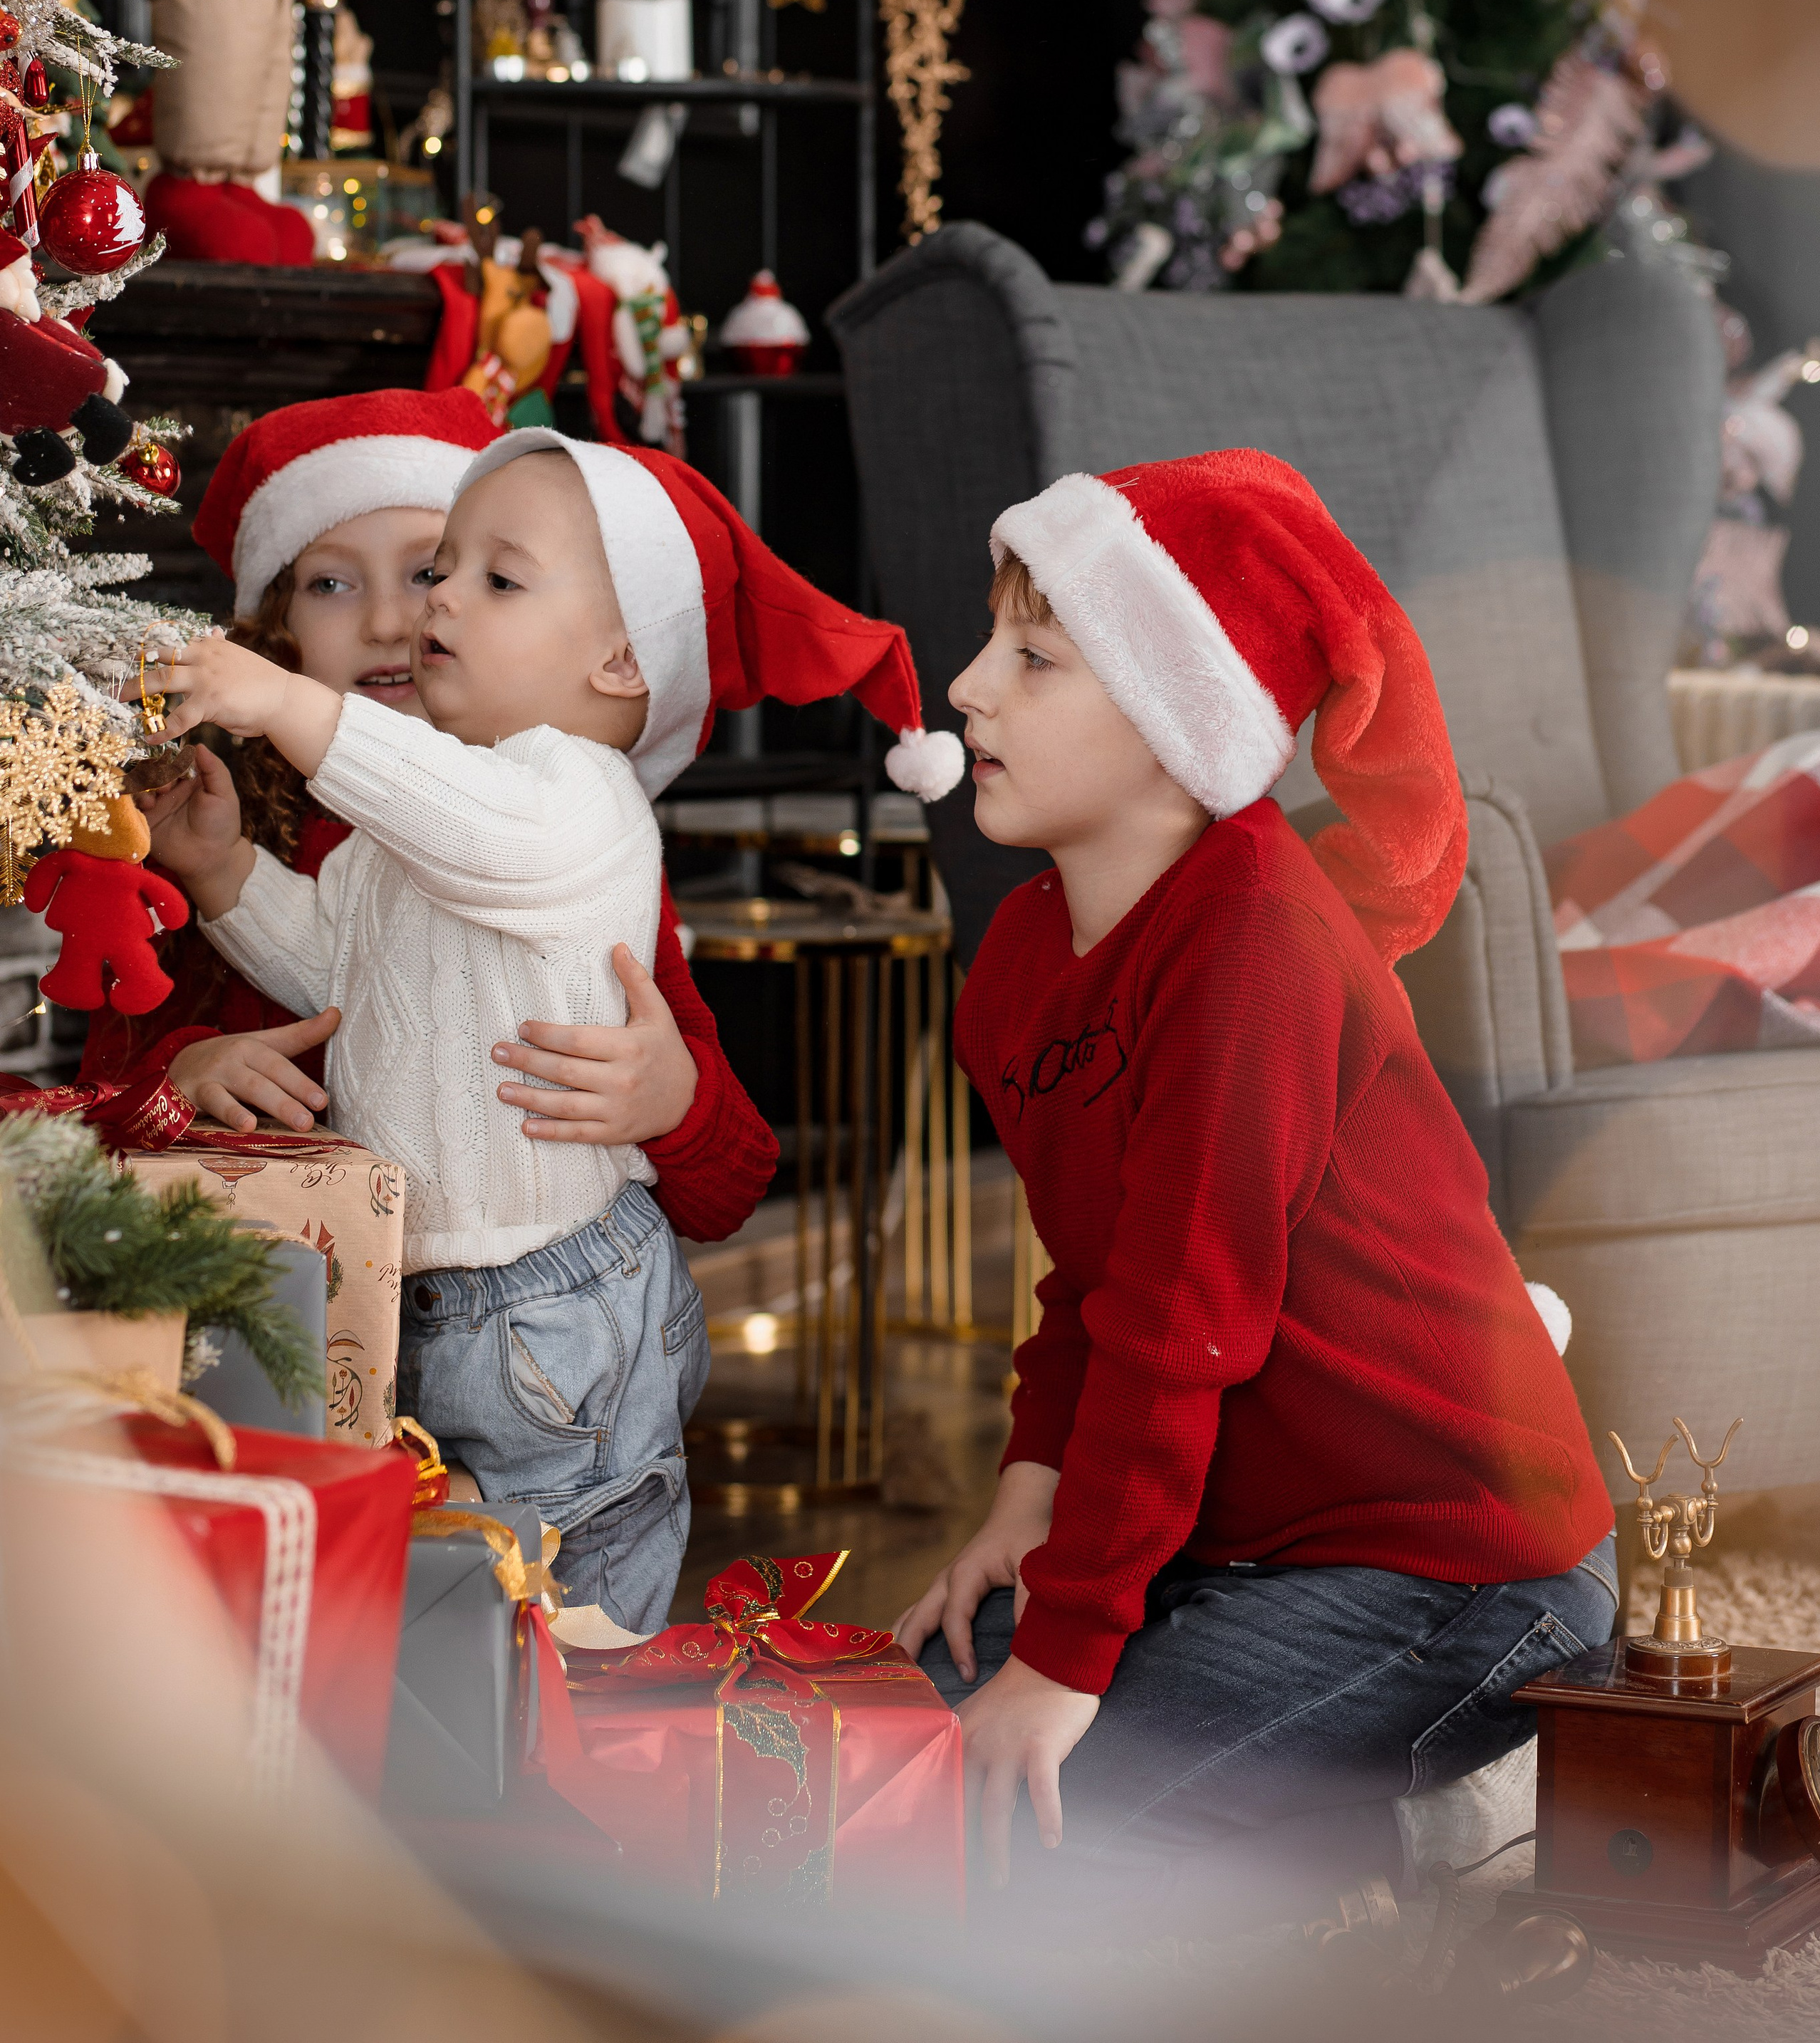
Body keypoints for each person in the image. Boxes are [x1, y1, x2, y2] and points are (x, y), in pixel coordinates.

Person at [893, 449, 1616, 1920]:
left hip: (1459, 1573)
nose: (967, 687)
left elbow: (1179, 1323)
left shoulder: (1249, 946)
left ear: (1173, 724)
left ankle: (1417, 1825)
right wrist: (1022, 1511)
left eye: (1032, 658)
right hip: (1238, 1546)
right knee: (904, 1745)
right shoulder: (1025, 964)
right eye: (990, 644)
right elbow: (1088, 1287)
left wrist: (1066, 1656)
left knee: (1038, 1815)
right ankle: (1312, 1804)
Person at [146, 425, 960, 1624]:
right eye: (447, 571)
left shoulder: (574, 796)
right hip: (435, 1293)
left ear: (622, 662)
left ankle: (584, 1785)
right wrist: (224, 878)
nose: (435, 603)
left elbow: (479, 824)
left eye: (494, 577)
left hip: (552, 1301)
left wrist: (275, 703)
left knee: (558, 1613)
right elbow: (334, 971)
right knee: (466, 1621)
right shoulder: (402, 836)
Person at [95, 390, 770, 1247]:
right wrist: (183, 1071)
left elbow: (731, 1187)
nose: (396, 620)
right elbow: (84, 1127)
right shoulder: (215, 816)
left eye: (430, 572)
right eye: (331, 583)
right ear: (273, 631)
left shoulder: (564, 825)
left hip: (533, 1301)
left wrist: (674, 1101)